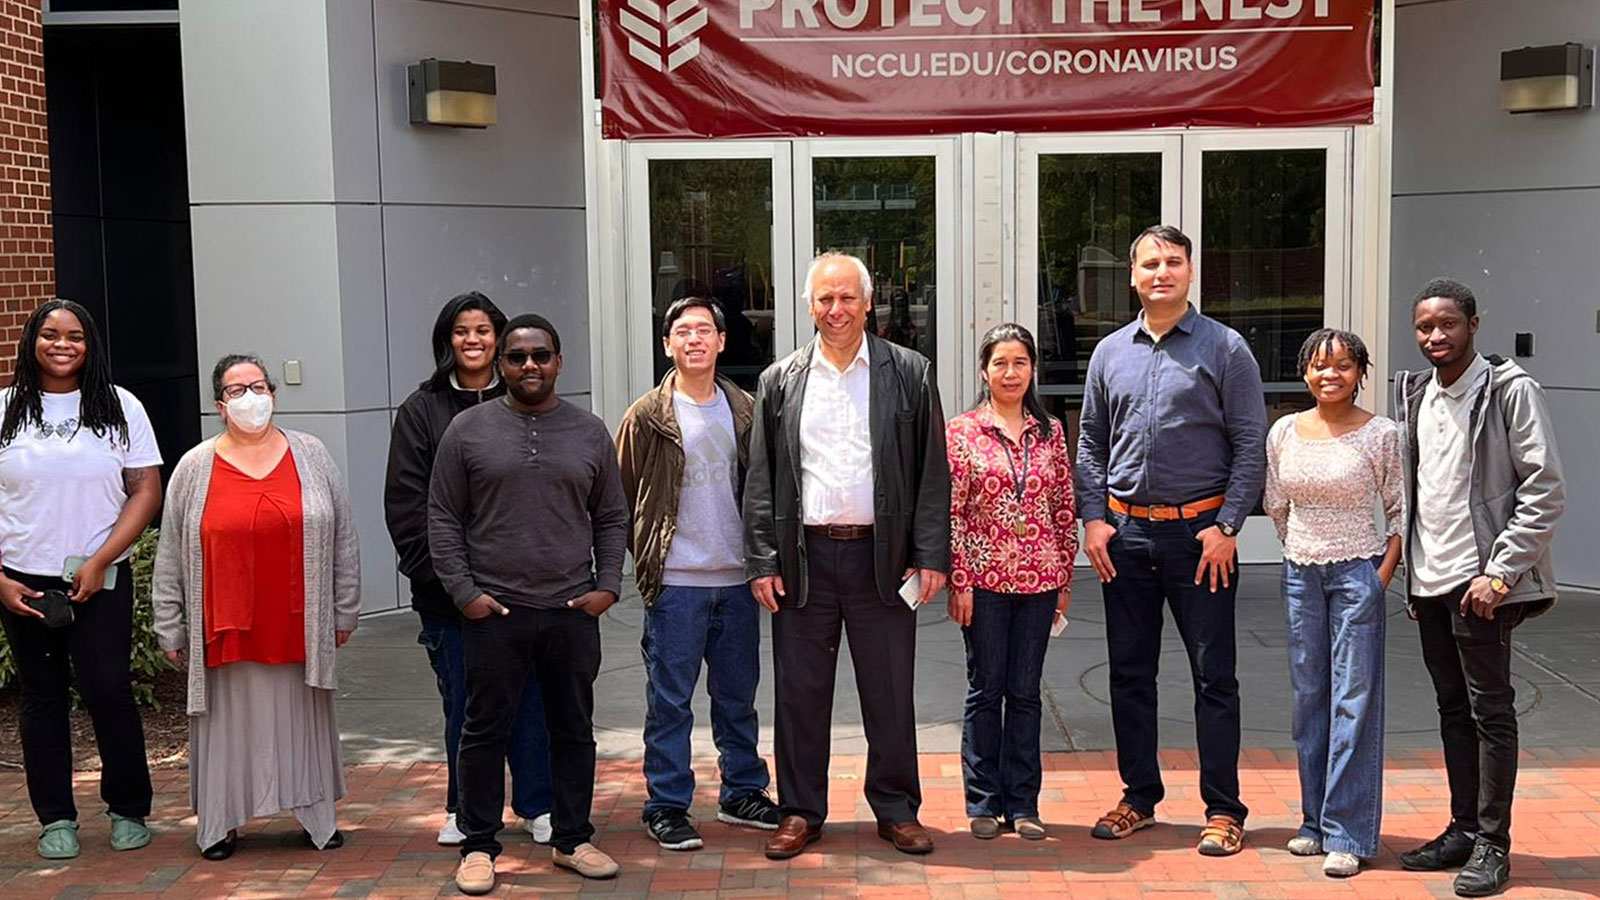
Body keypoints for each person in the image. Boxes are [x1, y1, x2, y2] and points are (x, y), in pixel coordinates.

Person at [743, 251, 951, 860]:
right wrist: (763, 560)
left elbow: (931, 472)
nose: (836, 309)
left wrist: (930, 553)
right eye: (825, 299)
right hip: (803, 561)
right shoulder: (780, 380)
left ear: (868, 302)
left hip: (882, 561)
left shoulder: (909, 371)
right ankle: (800, 811)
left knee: (889, 691)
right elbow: (761, 479)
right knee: (799, 695)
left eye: (847, 298)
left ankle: (896, 809)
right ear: (810, 306)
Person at [1076, 224, 1266, 856]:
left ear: (1190, 271)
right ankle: (1138, 797)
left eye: (1173, 262)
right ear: (1132, 276)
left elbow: (1250, 444)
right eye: (1150, 263)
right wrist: (1094, 517)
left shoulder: (1226, 348)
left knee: (1214, 677)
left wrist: (1229, 526)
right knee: (1130, 675)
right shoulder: (1110, 353)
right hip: (1125, 537)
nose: (1162, 272)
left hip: (1200, 540)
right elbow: (1091, 442)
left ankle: (1224, 809)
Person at [429, 314, 628, 895]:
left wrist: (607, 586)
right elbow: (443, 517)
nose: (529, 366)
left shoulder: (589, 431)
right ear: (502, 365)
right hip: (497, 612)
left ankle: (572, 839)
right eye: (517, 357)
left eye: (541, 355)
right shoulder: (467, 430)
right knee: (483, 731)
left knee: (573, 729)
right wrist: (466, 594)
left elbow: (611, 515)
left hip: (571, 610)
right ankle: (478, 845)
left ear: (559, 362)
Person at [150, 354, 360, 859]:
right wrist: (170, 624)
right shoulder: (194, 467)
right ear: (220, 405)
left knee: (301, 723)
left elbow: (344, 536)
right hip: (225, 629)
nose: (251, 398)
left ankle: (316, 819)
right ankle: (220, 823)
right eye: (237, 390)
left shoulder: (311, 453)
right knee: (229, 728)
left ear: (274, 394)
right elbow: (171, 551)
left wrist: (345, 607)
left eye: (259, 386)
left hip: (297, 624)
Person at [1393, 278, 1564, 898]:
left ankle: (1494, 844)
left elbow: (1544, 489)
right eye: (1424, 326)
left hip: (1481, 582)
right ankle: (1463, 829)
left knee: (1491, 711)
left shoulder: (1511, 390)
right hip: (1430, 579)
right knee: (1452, 710)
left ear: (1473, 324)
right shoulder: (1415, 392)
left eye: (1447, 324)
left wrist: (1501, 571)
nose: (1435, 336)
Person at [383, 292, 554, 847]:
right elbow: (407, 506)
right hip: (449, 597)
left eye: (483, 330)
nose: (473, 340)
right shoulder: (422, 410)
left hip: (523, 591)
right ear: (446, 340)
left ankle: (537, 803)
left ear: (500, 340)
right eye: (461, 331)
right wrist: (451, 583)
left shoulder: (526, 401)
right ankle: (465, 808)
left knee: (529, 700)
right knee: (464, 703)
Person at [615, 296, 780, 851]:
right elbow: (624, 493)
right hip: (676, 583)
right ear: (667, 344)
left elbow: (764, 490)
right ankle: (666, 803)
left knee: (738, 698)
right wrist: (643, 560)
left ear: (721, 341)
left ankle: (742, 792)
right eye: (683, 331)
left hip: (737, 581)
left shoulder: (746, 410)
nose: (694, 339)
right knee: (670, 702)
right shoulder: (646, 415)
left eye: (704, 330)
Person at [0, 299, 163, 860]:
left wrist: (100, 560)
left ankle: (128, 808)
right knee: (41, 697)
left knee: (108, 689)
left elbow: (145, 489)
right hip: (23, 583)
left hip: (102, 575)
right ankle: (55, 819)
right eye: (49, 334)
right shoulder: (5, 409)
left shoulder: (120, 407)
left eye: (74, 336)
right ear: (31, 341)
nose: (62, 345)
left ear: (90, 344)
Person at [1263, 329, 1402, 878]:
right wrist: (1299, 550)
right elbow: (1276, 504)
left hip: (1357, 573)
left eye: (1343, 365)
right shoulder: (1284, 431)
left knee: (1354, 701)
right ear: (1305, 372)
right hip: (1300, 573)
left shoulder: (1382, 433)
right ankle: (1313, 822)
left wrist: (1380, 575)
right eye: (1320, 365)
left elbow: (1400, 509)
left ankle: (1348, 832)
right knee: (1310, 699)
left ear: (1360, 373)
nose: (1331, 375)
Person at [946, 323, 1076, 842]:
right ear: (984, 371)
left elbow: (1063, 506)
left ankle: (1023, 803)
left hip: (1040, 580)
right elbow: (953, 513)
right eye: (1000, 363)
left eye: (1020, 362)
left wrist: (1064, 574)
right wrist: (959, 580)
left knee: (1025, 694)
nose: (1010, 372)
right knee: (985, 689)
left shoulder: (1051, 432)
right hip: (984, 581)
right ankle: (982, 800)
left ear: (1032, 369)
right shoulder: (962, 432)